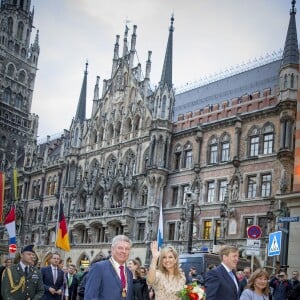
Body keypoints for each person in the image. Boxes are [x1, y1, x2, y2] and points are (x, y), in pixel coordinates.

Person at [84, 234, 133, 299]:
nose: (124, 251)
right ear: (112, 249)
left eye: (127, 249)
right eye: (120, 248)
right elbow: (90, 297)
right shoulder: (99, 268)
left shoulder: (129, 273)